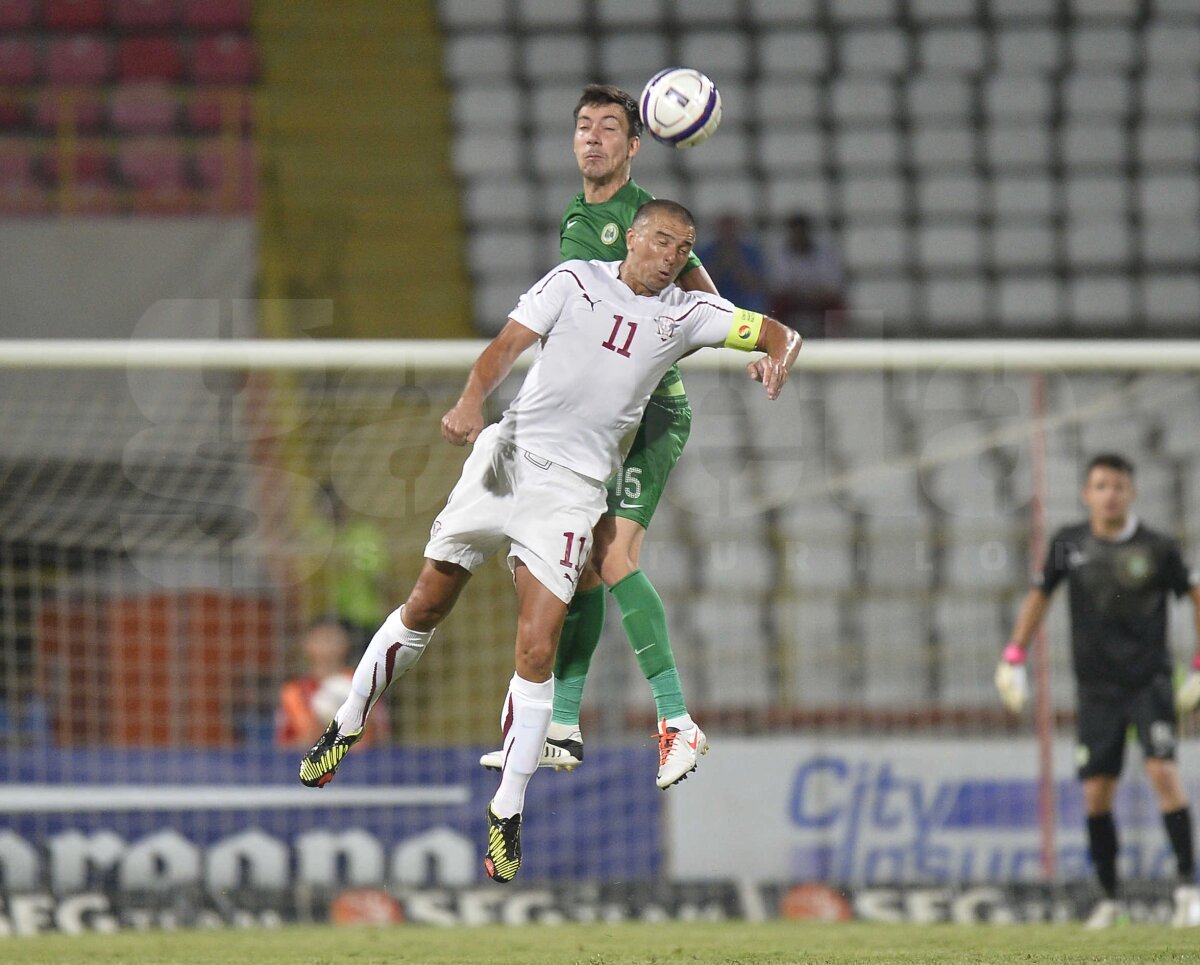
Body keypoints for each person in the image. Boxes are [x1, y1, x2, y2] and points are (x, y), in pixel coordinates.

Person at [299, 199, 801, 884]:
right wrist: (471, 400)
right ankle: (347, 725)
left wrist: (774, 357)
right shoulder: (572, 280)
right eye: (659, 240)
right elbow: (504, 346)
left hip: (571, 494)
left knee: (536, 646)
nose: (670, 255)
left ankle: (506, 812)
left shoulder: (688, 315)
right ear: (632, 236)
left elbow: (780, 332)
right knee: (425, 603)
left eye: (683, 248)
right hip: (505, 460)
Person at [480, 84, 724, 791]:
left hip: (650, 415)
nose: (592, 138)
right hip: (603, 422)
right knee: (580, 561)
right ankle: (560, 723)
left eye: (608, 128)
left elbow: (700, 302)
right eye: (583, 126)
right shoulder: (579, 216)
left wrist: (744, 334)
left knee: (612, 557)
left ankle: (677, 720)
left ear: (634, 144)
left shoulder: (638, 219)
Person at [995, 453, 1200, 928]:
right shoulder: (1069, 544)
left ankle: (1188, 890)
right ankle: (1108, 899)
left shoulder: (1158, 547)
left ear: (1132, 493)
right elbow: (1040, 596)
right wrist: (1014, 656)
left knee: (1163, 773)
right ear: (1087, 494)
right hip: (1096, 691)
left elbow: (1195, 594)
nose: (1110, 494)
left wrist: (1196, 666)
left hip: (1149, 682)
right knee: (1096, 794)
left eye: (1119, 486)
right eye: (1101, 486)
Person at [275, 619, 384, 749]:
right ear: (307, 644)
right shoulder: (293, 691)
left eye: (332, 637)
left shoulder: (364, 682)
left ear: (345, 643)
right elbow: (284, 744)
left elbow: (382, 736)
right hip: (310, 762)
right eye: (320, 638)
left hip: (360, 759)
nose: (326, 643)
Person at [768, 211, 847, 338]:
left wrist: (814, 294)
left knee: (836, 305)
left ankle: (834, 340)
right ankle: (779, 340)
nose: (798, 237)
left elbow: (833, 285)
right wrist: (801, 294)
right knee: (777, 305)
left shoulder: (824, 255)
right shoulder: (782, 256)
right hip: (793, 300)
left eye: (801, 233)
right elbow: (779, 286)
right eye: (795, 233)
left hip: (819, 299)